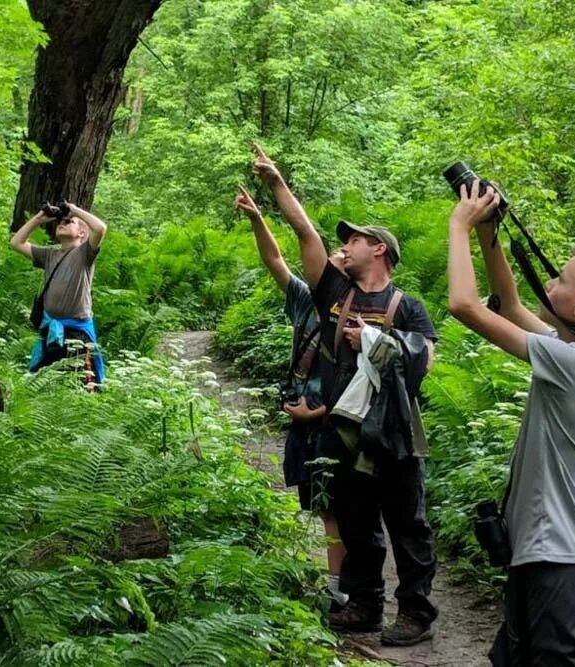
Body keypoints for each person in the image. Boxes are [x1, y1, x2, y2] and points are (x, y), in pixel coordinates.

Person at [446, 182, 575, 665]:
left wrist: (459, 225)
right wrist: (490, 232)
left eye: (559, 279)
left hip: (556, 567)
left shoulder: (574, 365)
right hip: (548, 560)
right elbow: (510, 304)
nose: (550, 283)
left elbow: (465, 307)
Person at [251, 145, 439, 644]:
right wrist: (276, 183)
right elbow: (305, 235)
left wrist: (377, 343)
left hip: (394, 435)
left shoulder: (409, 307)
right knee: (356, 524)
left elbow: (422, 364)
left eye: (355, 239)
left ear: (380, 249)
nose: (346, 245)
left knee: (408, 527)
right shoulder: (335, 294)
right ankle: (364, 606)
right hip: (343, 433)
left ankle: (416, 615)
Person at [234, 184, 349, 608]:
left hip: (331, 420)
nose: (333, 256)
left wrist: (317, 410)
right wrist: (256, 219)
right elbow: (275, 260)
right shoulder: (305, 299)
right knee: (320, 505)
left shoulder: (354, 306)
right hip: (302, 413)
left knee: (336, 507)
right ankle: (341, 584)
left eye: (339, 256)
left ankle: (342, 589)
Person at [10, 202, 107, 385]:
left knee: (77, 383)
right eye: (60, 221)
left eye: (69, 222)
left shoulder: (84, 253)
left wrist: (75, 210)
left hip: (77, 331)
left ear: (82, 233)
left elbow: (100, 228)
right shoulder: (49, 255)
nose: (62, 223)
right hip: (51, 330)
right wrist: (39, 219)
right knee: (44, 383)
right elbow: (16, 243)